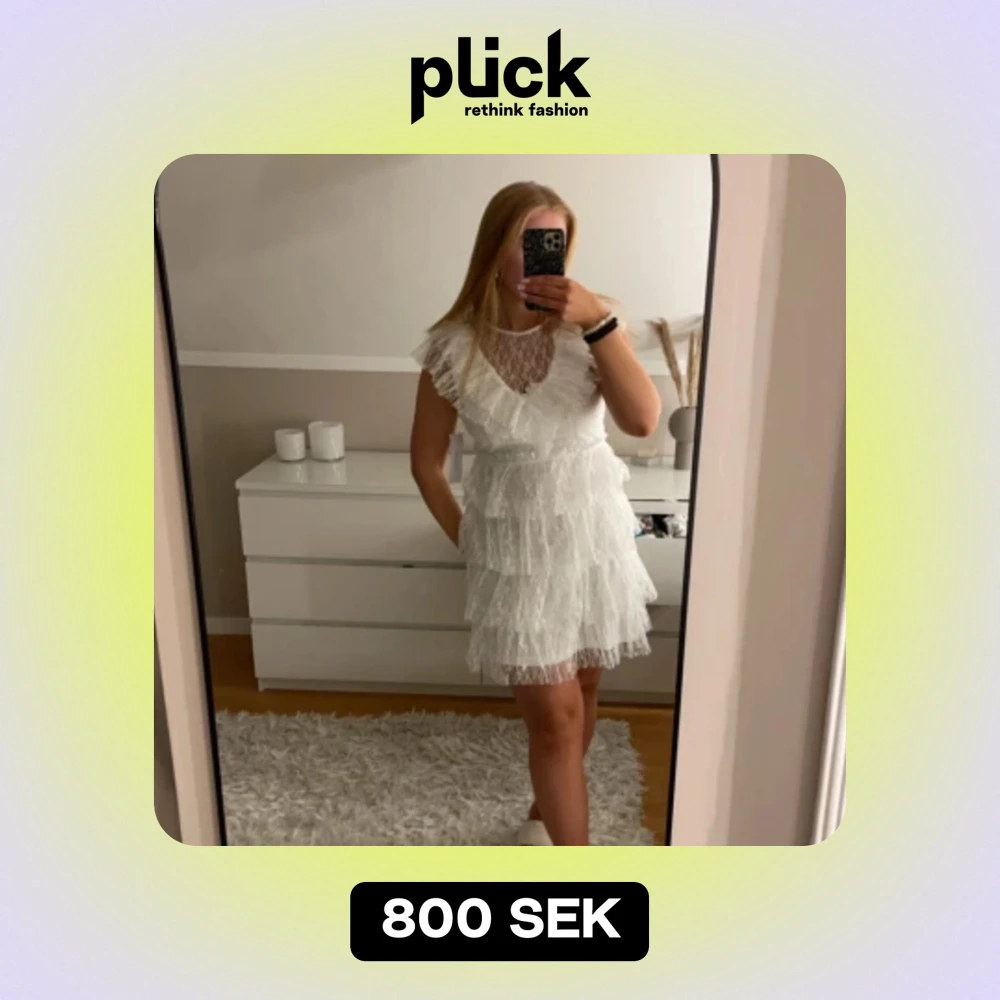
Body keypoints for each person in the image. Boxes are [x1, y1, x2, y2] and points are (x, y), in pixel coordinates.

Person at [409, 181, 661, 846]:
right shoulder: (450, 348)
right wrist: (472, 542)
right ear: (495, 247)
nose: (542, 255)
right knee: (553, 717)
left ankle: (548, 813)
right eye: (529, 240)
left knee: (583, 689)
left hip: (592, 540)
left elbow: (641, 420)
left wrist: (597, 320)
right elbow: (427, 464)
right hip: (516, 559)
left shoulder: (593, 328)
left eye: (554, 241)